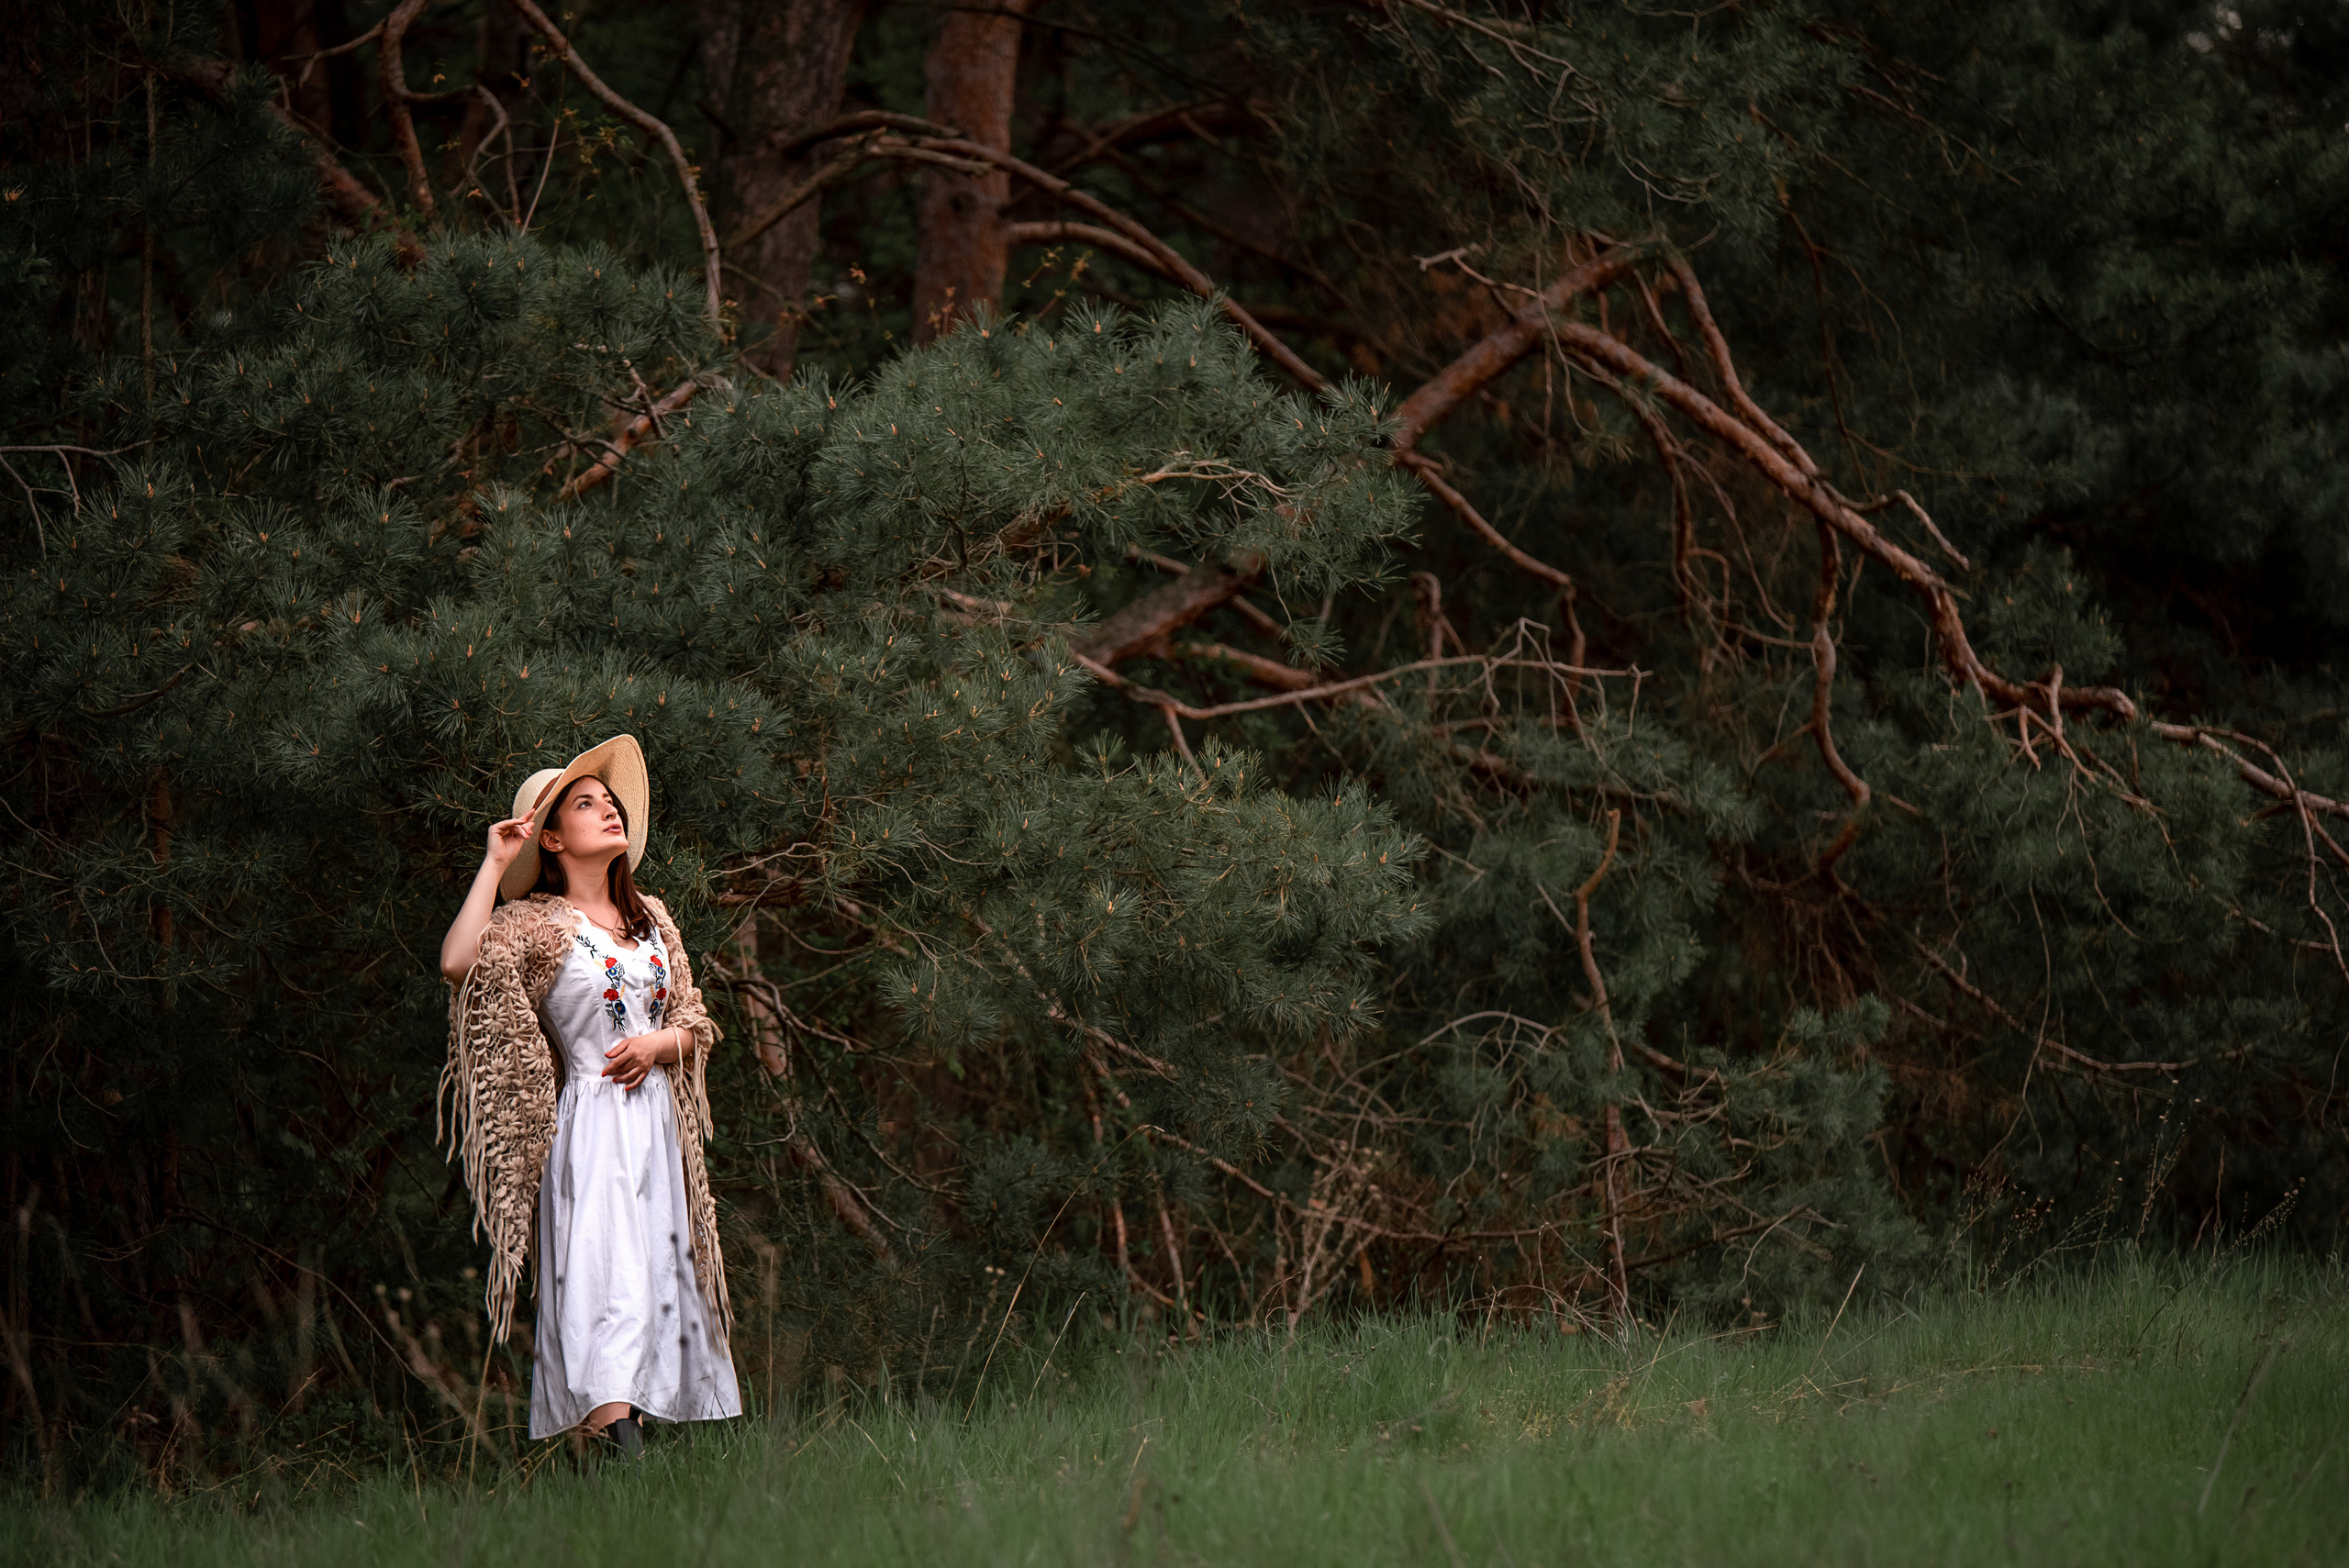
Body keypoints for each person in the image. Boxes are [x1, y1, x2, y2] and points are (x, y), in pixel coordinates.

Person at [437, 734, 740, 1457]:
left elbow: (697, 1021)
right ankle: (623, 1461)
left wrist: (660, 1046)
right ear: (551, 836)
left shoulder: (654, 919)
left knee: (658, 1291)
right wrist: (494, 861)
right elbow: (457, 962)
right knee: (609, 1294)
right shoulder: (533, 923)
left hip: (659, 1135)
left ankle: (632, 1474)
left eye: (610, 802)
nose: (608, 810)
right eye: (585, 803)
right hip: (591, 1130)